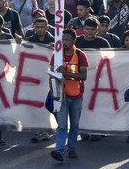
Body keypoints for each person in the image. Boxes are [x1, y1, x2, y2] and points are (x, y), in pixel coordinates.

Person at [51, 29, 88, 163]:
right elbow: (51, 75)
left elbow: (83, 76)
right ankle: (59, 151)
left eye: (67, 40)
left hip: (76, 96)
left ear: (74, 41)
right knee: (62, 125)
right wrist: (53, 93)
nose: (64, 42)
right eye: (63, 39)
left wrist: (65, 73)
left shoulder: (80, 55)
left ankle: (71, 148)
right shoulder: (56, 55)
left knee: (75, 125)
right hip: (62, 97)